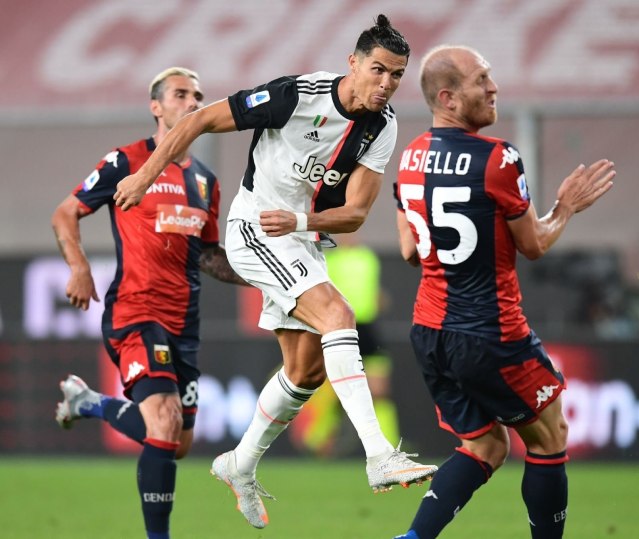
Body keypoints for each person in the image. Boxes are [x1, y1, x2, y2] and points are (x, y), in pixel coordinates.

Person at [113, 14, 437, 530]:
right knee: (338, 315)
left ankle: (239, 464)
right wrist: (146, 176)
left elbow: (355, 213)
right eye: (378, 70)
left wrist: (301, 221)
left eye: (396, 75)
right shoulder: (296, 95)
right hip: (253, 228)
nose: (386, 84)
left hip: (299, 238)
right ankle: (379, 455)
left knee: (305, 371)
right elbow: (197, 121)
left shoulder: (383, 126)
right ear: (353, 64)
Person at [392, 45, 615, 539]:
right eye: (481, 79)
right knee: (550, 435)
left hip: (430, 332)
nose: (493, 88)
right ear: (448, 98)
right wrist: (565, 207)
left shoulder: (410, 157)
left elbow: (409, 250)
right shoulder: (498, 157)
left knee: (486, 447)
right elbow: (534, 245)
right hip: (489, 332)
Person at [52, 67, 246, 539]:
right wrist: (79, 267)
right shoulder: (127, 161)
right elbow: (66, 212)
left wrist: (265, 275)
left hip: (185, 323)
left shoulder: (205, 181)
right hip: (137, 311)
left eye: (198, 95)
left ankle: (91, 404)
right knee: (162, 420)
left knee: (176, 442)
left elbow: (208, 256)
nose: (193, 102)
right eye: (181, 94)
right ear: (155, 106)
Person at [291, 233, 400, 456]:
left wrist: (378, 299)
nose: (348, 236)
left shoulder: (368, 257)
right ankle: (318, 439)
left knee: (379, 392)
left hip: (368, 329)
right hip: (340, 328)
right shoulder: (328, 261)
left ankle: (390, 448)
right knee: (335, 391)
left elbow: (372, 290)